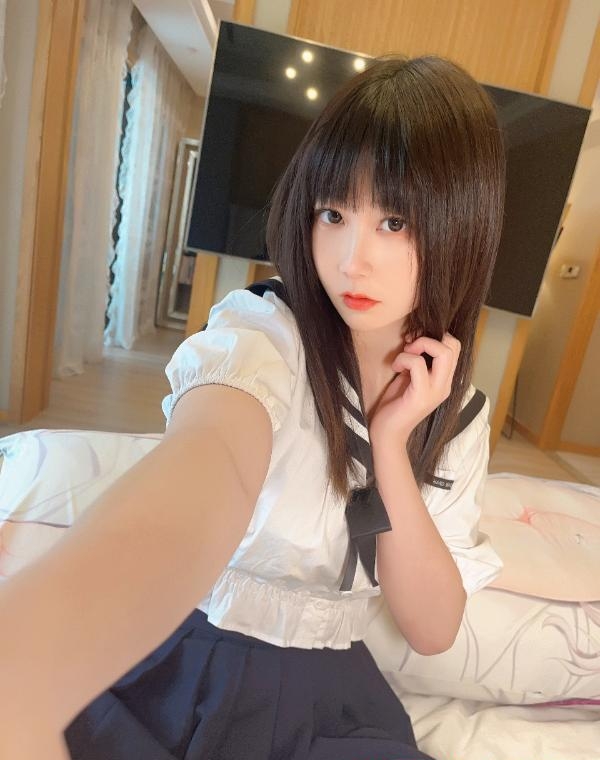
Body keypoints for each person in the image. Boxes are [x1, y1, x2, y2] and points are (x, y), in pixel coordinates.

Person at [0, 54, 506, 760]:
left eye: (394, 221)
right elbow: (210, 464)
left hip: (332, 697)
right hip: (184, 664)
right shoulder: (263, 334)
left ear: (464, 226)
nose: (351, 259)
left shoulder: (459, 413)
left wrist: (391, 450)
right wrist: (27, 661)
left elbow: (433, 628)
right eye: (333, 213)